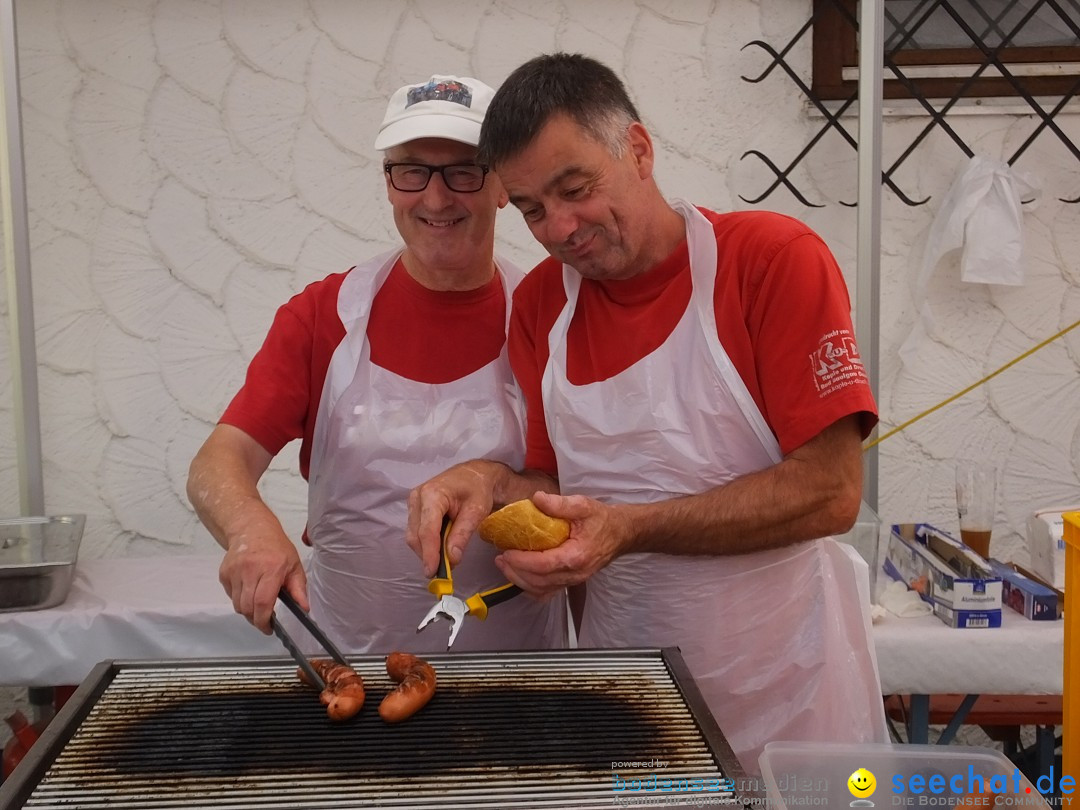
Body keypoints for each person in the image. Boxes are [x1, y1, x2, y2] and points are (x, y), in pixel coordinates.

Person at [406, 54, 885, 770]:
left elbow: (831, 491)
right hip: (626, 698)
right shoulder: (542, 305)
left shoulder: (770, 261)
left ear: (638, 149)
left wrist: (628, 530)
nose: (560, 227)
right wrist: (488, 482)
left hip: (790, 695)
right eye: (532, 208)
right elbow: (551, 479)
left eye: (576, 189)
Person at [187, 74, 567, 654]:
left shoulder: (553, 315)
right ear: (389, 184)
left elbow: (579, 489)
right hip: (349, 668)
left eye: (464, 171)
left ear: (501, 187)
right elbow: (221, 459)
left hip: (514, 677)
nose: (436, 199)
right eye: (411, 170)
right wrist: (249, 528)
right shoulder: (325, 315)